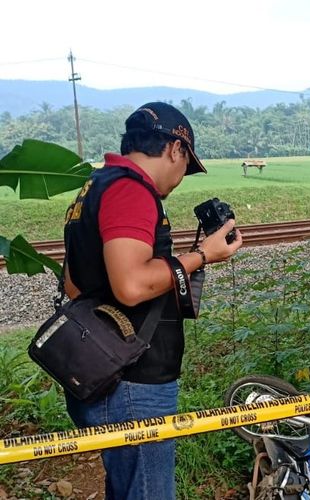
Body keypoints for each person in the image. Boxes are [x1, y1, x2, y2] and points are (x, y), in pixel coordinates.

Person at [62, 102, 243, 499]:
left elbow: (74, 285)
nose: (181, 178)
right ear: (175, 149)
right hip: (134, 382)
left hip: (99, 371)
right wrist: (203, 255)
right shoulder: (130, 190)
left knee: (126, 488)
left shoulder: (94, 187)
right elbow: (130, 285)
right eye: (186, 166)